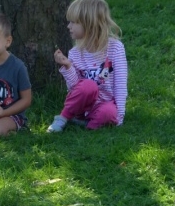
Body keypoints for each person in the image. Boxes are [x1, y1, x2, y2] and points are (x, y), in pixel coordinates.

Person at [46, 0, 127, 133]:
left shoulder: (115, 48)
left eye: (73, 22)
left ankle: (87, 126)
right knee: (89, 86)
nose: (68, 26)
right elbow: (74, 88)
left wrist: (120, 116)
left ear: (89, 24)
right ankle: (63, 118)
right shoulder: (75, 53)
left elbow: (120, 85)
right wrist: (68, 67)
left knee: (109, 112)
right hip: (81, 106)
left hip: (103, 104)